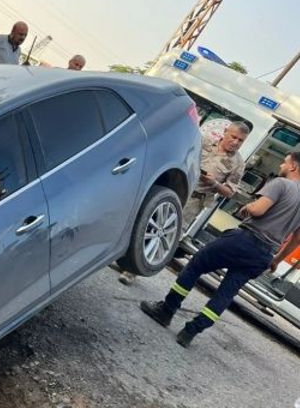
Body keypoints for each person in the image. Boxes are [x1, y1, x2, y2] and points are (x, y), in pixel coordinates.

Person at [140, 151, 300, 348]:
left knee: (196, 265)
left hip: (245, 239)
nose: (281, 167)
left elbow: (259, 210)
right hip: (264, 254)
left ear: (293, 166)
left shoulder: (281, 184)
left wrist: (247, 207)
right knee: (226, 293)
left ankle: (166, 311)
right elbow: (296, 238)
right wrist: (276, 259)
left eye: (284, 163)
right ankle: (191, 332)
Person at [119, 121, 249, 284]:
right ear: (225, 132)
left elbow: (230, 192)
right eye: (234, 137)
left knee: (164, 234)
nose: (236, 142)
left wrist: (214, 184)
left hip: (194, 201)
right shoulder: (203, 141)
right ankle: (119, 254)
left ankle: (132, 270)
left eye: (241, 140)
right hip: (175, 187)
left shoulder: (238, 164)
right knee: (144, 219)